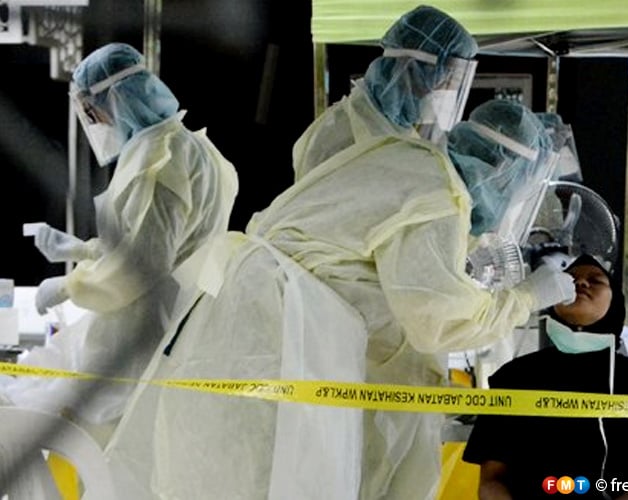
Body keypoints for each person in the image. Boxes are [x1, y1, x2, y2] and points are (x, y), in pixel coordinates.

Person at [103, 98, 576, 500]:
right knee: (267, 477)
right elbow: (437, 316)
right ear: (503, 170)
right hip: (280, 346)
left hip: (244, 328)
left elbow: (366, 274)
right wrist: (527, 296)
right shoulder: (439, 196)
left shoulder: (408, 158)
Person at [1, 43, 239, 441]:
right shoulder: (195, 148)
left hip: (140, 339)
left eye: (93, 111)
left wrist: (70, 285)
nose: (97, 121)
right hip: (178, 329)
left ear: (114, 99)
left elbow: (146, 261)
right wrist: (83, 249)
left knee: (61, 426)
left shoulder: (159, 157)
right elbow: (161, 241)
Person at [463, 254, 628, 500]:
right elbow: (491, 481)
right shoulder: (514, 378)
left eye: (595, 280)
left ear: (616, 302)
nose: (581, 283)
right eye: (569, 280)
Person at [292, 4, 478, 180]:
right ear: (413, 69)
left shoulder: (401, 130)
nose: (447, 91)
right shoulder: (339, 132)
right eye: (444, 80)